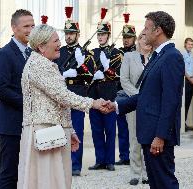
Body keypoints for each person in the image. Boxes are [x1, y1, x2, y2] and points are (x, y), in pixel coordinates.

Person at [17, 24, 106, 189]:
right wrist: (93, 103)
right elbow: (62, 96)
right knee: (47, 181)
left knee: (55, 180)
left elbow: (57, 103)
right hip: (44, 132)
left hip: (52, 131)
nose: (60, 44)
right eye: (56, 40)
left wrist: (70, 130)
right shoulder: (39, 66)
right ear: (42, 47)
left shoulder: (45, 63)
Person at [104, 11, 184, 189]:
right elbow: (146, 96)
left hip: (157, 136)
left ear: (158, 31)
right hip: (149, 133)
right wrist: (116, 105)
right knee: (156, 184)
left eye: (147, 28)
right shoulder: (158, 56)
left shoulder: (172, 57)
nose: (144, 32)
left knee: (165, 182)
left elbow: (171, 102)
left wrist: (161, 136)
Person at [0, 9, 35, 189]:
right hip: (11, 125)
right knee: (9, 175)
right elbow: (1, 90)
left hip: (31, 123)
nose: (30, 30)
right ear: (14, 28)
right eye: (26, 26)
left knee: (29, 173)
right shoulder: (4, 54)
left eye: (33, 25)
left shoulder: (34, 53)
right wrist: (30, 103)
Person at [54, 7, 95, 176]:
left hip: (77, 92)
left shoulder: (85, 53)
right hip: (61, 94)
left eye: (72, 33)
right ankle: (61, 164)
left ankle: (76, 165)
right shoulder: (59, 52)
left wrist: (81, 64)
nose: (69, 36)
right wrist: (63, 75)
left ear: (77, 34)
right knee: (60, 130)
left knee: (76, 130)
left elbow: (90, 75)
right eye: (67, 33)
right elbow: (53, 71)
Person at [87, 20, 123, 171]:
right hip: (94, 96)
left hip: (109, 95)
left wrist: (107, 69)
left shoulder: (116, 53)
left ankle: (110, 161)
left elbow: (118, 75)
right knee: (96, 131)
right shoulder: (91, 53)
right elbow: (86, 72)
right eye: (99, 34)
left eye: (103, 34)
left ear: (108, 35)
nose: (100, 37)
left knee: (109, 130)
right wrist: (92, 75)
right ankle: (99, 160)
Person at [120, 33, 151, 185]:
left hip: (151, 105)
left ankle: (147, 173)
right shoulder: (129, 57)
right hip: (134, 103)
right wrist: (139, 96)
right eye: (143, 38)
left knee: (149, 139)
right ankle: (135, 172)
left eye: (148, 38)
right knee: (135, 139)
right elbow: (124, 80)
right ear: (138, 41)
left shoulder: (155, 57)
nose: (146, 41)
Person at [115, 13, 137, 166]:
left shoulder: (137, 53)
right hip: (120, 93)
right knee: (121, 127)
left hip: (133, 93)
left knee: (133, 128)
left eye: (128, 37)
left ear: (134, 38)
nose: (126, 39)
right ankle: (124, 156)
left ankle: (134, 156)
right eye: (124, 37)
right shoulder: (117, 53)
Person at [182, 37, 193, 132]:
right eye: (189, 44)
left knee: (188, 103)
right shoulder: (183, 55)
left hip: (191, 80)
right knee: (184, 103)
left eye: (191, 44)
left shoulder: (191, 55)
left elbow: (192, 68)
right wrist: (190, 79)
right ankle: (182, 124)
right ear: (185, 44)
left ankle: (185, 123)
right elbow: (183, 69)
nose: (190, 46)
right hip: (186, 81)